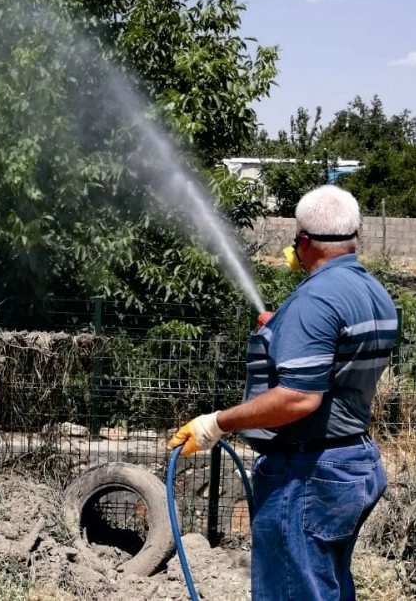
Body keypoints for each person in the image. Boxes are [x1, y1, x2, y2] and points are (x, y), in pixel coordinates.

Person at [169, 185, 398, 601]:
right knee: (324, 587)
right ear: (356, 235)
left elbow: (299, 398)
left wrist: (215, 423)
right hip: (353, 461)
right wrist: (288, 331)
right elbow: (340, 357)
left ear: (304, 242)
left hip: (307, 473)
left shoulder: (316, 299)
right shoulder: (375, 294)